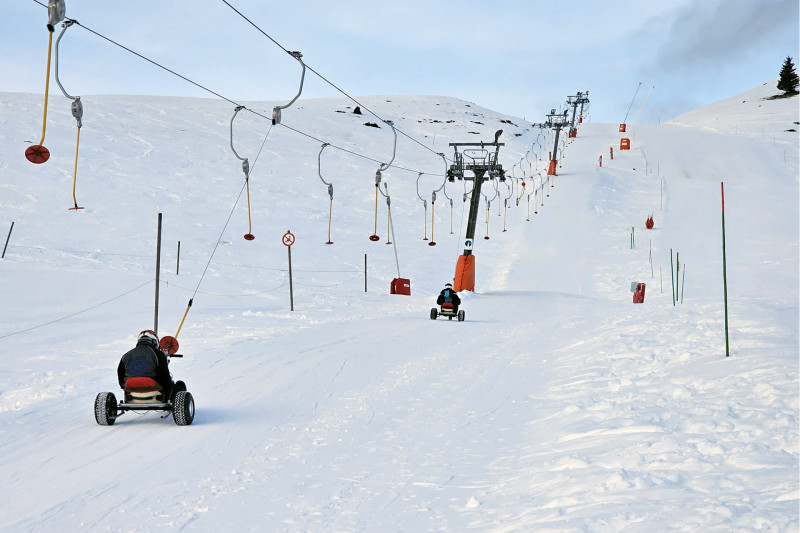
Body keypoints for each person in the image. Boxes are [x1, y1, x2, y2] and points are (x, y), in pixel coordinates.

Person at [118, 330, 182, 401]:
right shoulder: (158, 354)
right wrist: (168, 395)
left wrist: (124, 386)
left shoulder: (126, 355)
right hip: (154, 390)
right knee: (180, 386)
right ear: (154, 341)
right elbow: (165, 378)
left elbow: (121, 375)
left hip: (131, 389)